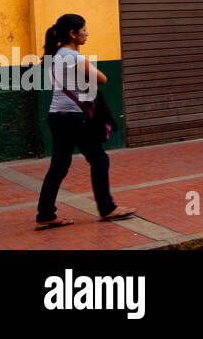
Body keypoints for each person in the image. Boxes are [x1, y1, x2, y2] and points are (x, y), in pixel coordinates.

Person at [36, 14, 136, 230]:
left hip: (57, 115)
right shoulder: (72, 56)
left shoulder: (56, 55)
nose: (87, 33)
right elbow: (102, 78)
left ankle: (45, 214)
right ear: (73, 34)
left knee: (59, 167)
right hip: (74, 117)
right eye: (84, 30)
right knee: (99, 159)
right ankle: (107, 208)